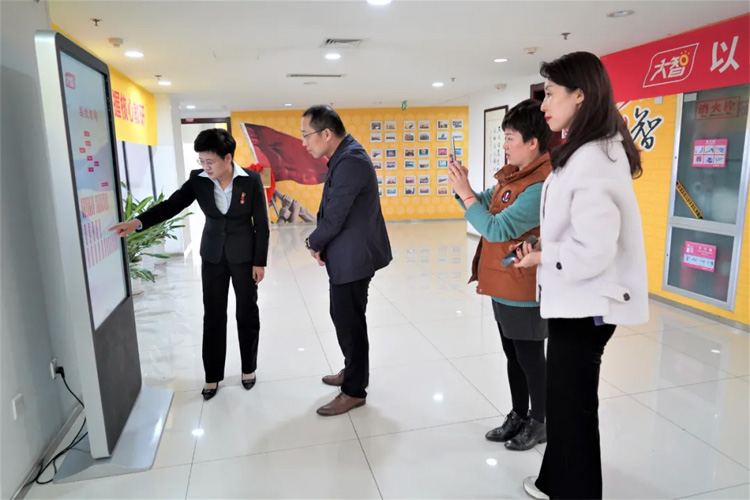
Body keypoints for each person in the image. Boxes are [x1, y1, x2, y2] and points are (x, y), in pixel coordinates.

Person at [514, 52, 648, 499]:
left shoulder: (594, 157)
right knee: (566, 402)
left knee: (573, 408)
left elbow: (594, 250)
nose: (544, 104)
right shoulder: (587, 149)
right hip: (575, 299)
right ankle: (554, 481)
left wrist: (543, 256)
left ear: (580, 95)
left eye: (551, 94)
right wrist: (543, 249)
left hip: (586, 305)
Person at [110, 128, 269, 401]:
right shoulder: (198, 180)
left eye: (210, 161)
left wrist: (259, 262)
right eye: (202, 161)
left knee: (246, 312)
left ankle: (248, 368)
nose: (205, 167)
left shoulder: (250, 180)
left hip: (244, 257)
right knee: (213, 314)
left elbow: (262, 225)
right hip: (213, 257)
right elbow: (172, 205)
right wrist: (138, 222)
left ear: (227, 158)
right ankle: (212, 375)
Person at [449, 99, 551, 451]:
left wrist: (466, 195)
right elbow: (480, 203)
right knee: (513, 356)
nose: (505, 145)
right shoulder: (513, 177)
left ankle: (540, 421)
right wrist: (461, 187)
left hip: (524, 289)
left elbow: (496, 228)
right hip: (503, 284)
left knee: (531, 360)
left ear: (532, 142)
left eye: (510, 138)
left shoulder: (539, 185)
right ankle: (519, 414)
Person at [301, 105, 392, 416]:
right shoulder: (344, 155)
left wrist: (313, 241)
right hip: (346, 253)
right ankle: (352, 369)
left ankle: (354, 390)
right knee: (343, 317)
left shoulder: (351, 160)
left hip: (354, 256)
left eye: (307, 135)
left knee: (350, 322)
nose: (304, 142)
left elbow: (335, 214)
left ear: (326, 133)